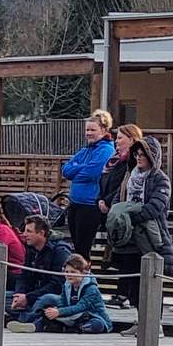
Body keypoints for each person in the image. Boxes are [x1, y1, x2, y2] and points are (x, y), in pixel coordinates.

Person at [108, 135, 173, 331]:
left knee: (152, 281)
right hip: (128, 239)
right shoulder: (128, 176)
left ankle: (155, 324)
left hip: (151, 236)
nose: (139, 158)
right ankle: (140, 320)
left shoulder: (160, 179)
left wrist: (131, 218)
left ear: (152, 156)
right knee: (133, 282)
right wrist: (116, 215)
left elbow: (156, 206)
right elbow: (117, 200)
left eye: (143, 154)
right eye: (136, 154)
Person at [97, 123, 143, 308]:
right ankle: (123, 293)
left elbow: (122, 186)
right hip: (113, 211)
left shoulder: (131, 163)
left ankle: (125, 294)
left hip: (127, 216)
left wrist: (110, 203)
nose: (117, 142)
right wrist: (101, 200)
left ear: (132, 140)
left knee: (129, 257)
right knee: (121, 256)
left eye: (120, 138)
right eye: (116, 138)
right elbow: (109, 182)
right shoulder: (115, 161)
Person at [7, 254, 112, 334]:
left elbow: (81, 307)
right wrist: (56, 311)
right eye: (67, 272)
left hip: (91, 316)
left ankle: (72, 328)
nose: (69, 275)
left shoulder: (91, 288)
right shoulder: (67, 285)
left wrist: (60, 312)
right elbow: (62, 301)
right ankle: (32, 326)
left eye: (73, 272)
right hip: (72, 315)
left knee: (97, 325)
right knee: (47, 314)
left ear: (83, 273)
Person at [62, 110, 115, 260]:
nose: (89, 133)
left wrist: (77, 170)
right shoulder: (85, 150)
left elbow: (92, 172)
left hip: (90, 204)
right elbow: (65, 170)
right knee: (77, 245)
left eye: (93, 130)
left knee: (83, 248)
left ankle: (83, 278)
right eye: (87, 129)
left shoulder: (106, 150)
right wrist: (80, 168)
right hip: (75, 203)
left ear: (104, 130)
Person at [6, 215, 72, 324]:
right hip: (33, 294)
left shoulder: (60, 251)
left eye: (29, 231)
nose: (24, 234)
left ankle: (26, 320)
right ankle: (32, 317)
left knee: (45, 300)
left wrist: (28, 297)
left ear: (41, 233)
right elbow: (24, 276)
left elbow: (58, 284)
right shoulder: (30, 249)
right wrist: (19, 295)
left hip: (52, 296)